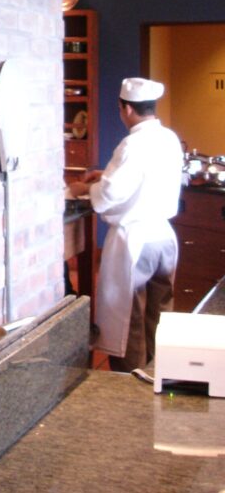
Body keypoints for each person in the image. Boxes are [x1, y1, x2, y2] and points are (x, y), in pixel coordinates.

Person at [69, 77, 183, 372]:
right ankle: (162, 374)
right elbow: (140, 180)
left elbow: (109, 195)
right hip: (164, 239)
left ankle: (130, 384)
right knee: (161, 315)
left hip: (137, 241)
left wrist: (85, 189)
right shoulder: (168, 138)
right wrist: (103, 177)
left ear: (126, 109)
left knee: (130, 320)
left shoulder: (132, 144)